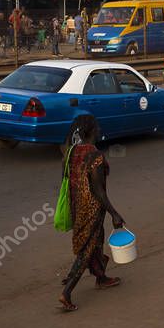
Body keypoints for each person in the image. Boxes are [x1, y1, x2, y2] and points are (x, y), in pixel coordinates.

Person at [59, 114, 125, 312]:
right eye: (97, 128)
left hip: (76, 206)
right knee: (87, 249)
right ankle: (66, 292)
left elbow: (66, 177)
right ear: (92, 131)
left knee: (96, 242)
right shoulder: (95, 155)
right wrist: (114, 213)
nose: (99, 130)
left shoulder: (71, 152)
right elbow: (98, 191)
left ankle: (101, 277)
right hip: (92, 209)